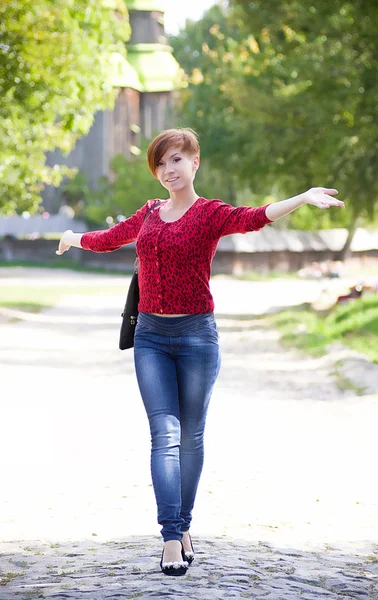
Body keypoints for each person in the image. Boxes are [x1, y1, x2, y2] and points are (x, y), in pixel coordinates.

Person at [56, 127, 344, 575]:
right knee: (165, 435)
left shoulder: (210, 214)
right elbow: (111, 238)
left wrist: (302, 197)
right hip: (150, 336)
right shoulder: (150, 213)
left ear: (194, 163)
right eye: (161, 163)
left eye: (176, 160)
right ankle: (172, 535)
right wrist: (74, 236)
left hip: (196, 337)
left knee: (190, 437)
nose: (168, 170)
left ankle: (183, 524)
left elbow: (256, 216)